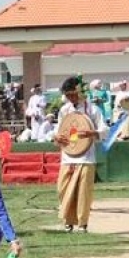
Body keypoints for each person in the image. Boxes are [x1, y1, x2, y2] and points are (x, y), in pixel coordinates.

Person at [54, 76, 108, 233]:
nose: (71, 98)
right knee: (63, 188)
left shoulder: (93, 110)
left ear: (80, 93)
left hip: (87, 156)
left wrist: (93, 132)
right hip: (68, 155)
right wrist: (56, 137)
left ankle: (82, 223)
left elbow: (105, 130)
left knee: (83, 191)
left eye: (73, 94)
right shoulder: (64, 110)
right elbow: (59, 131)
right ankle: (68, 221)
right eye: (68, 95)